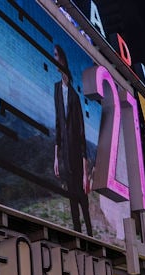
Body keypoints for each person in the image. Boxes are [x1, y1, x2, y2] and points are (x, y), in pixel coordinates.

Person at [53, 44, 92, 236]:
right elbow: (58, 125)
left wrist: (86, 173)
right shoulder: (56, 90)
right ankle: (78, 235)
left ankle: (90, 233)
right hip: (65, 156)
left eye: (57, 55)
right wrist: (56, 158)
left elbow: (82, 136)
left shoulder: (75, 97)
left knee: (82, 198)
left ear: (63, 60)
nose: (55, 59)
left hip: (77, 155)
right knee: (71, 198)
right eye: (53, 55)